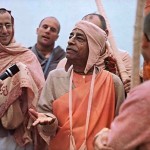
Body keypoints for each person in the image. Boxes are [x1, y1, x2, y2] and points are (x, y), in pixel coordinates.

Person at [29, 20, 125, 150]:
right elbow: (46, 123)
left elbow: (120, 126)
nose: (70, 41)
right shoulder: (55, 78)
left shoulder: (112, 82)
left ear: (94, 47)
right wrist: (49, 122)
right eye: (70, 36)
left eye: (79, 38)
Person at [93, 12, 150, 150]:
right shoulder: (63, 67)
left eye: (94, 31)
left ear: (142, 41)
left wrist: (102, 136)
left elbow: (115, 142)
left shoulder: (144, 95)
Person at [0, 8, 45, 150]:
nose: (5, 30)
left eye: (8, 25)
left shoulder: (26, 56)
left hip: (17, 134)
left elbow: (40, 91)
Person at [57, 13, 132, 93]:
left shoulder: (122, 58)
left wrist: (131, 87)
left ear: (105, 34)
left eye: (91, 31)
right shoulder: (64, 65)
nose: (70, 41)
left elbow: (131, 92)